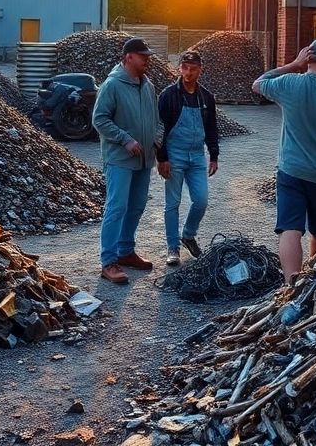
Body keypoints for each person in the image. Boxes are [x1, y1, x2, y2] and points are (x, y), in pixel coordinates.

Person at [251, 37, 316, 285]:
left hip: (291, 171)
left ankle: (292, 283)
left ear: (308, 59)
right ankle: (314, 277)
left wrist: (292, 65)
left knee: (290, 228)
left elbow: (258, 85)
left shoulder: (290, 84)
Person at [91, 37, 161, 285]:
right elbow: (99, 120)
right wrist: (125, 140)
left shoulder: (147, 85)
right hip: (120, 158)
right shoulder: (112, 85)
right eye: (143, 56)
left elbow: (157, 118)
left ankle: (126, 251)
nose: (148, 60)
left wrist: (156, 140)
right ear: (128, 57)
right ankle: (108, 262)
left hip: (144, 159)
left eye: (148, 56)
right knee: (117, 207)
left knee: (137, 205)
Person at [157, 50, 220, 266]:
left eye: (193, 69)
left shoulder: (207, 98)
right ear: (180, 68)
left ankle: (188, 235)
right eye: (185, 68)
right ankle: (172, 247)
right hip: (174, 154)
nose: (188, 73)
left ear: (200, 70)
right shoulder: (168, 95)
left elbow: (211, 128)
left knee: (201, 200)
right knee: (172, 203)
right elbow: (160, 129)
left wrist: (214, 155)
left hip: (196, 155)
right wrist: (162, 157)